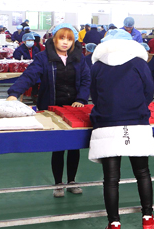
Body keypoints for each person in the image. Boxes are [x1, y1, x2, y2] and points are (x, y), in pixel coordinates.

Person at [7, 23, 91, 197]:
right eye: (62, 38)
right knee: (58, 146)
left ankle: (72, 181)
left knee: (74, 146)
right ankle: (58, 183)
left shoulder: (79, 58)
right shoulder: (43, 58)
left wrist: (81, 99)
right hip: (52, 107)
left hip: (74, 107)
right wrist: (14, 93)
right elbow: (29, 76)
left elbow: (86, 80)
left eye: (69, 39)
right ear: (54, 39)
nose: (65, 42)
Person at [88, 28, 154, 229]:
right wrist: (136, 106)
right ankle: (147, 219)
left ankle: (114, 225)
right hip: (136, 122)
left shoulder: (97, 66)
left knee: (111, 179)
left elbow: (94, 95)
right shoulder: (139, 63)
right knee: (142, 172)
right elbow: (149, 91)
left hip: (107, 123)